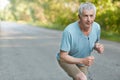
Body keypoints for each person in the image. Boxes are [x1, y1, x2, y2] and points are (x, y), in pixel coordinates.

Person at [56, 2, 104, 80]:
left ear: (95, 16)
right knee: (82, 78)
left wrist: (97, 47)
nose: (89, 20)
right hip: (66, 60)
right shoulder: (69, 31)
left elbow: (94, 42)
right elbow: (63, 56)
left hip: (82, 62)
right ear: (79, 16)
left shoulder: (97, 27)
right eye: (85, 16)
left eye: (91, 16)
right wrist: (82, 60)